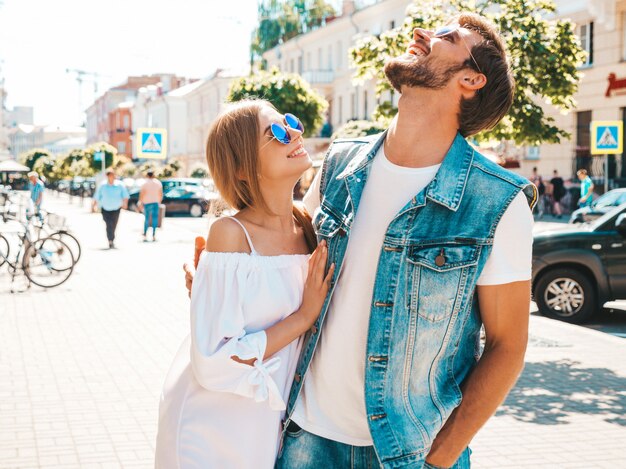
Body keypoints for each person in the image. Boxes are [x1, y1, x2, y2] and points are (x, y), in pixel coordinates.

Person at [184, 13, 536, 469]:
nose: (421, 34)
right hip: (305, 438)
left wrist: (442, 455)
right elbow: (283, 259)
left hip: (410, 453)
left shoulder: (496, 201)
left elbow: (508, 345)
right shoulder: (340, 165)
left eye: (446, 37)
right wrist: (223, 281)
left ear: (470, 79)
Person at [155, 100, 334, 469]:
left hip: (271, 425)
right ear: (241, 168)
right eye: (277, 132)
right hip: (213, 429)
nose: (295, 132)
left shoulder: (307, 225)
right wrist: (303, 318)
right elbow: (211, 362)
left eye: (290, 122)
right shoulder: (230, 233)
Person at [92, 168, 129, 249]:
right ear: (107, 176)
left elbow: (125, 196)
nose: (111, 177)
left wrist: (125, 204)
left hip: (116, 208)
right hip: (105, 208)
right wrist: (93, 206)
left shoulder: (120, 185)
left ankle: (111, 239)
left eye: (112, 175)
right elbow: (97, 196)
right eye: (109, 175)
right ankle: (110, 240)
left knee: (114, 224)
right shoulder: (102, 185)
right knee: (109, 224)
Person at [138, 170, 163, 242]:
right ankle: (154, 235)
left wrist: (140, 202)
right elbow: (160, 194)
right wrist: (159, 201)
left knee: (147, 219)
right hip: (155, 202)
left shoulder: (145, 183)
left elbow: (142, 193)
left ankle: (145, 234)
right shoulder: (158, 183)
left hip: (147, 202)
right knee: (155, 219)